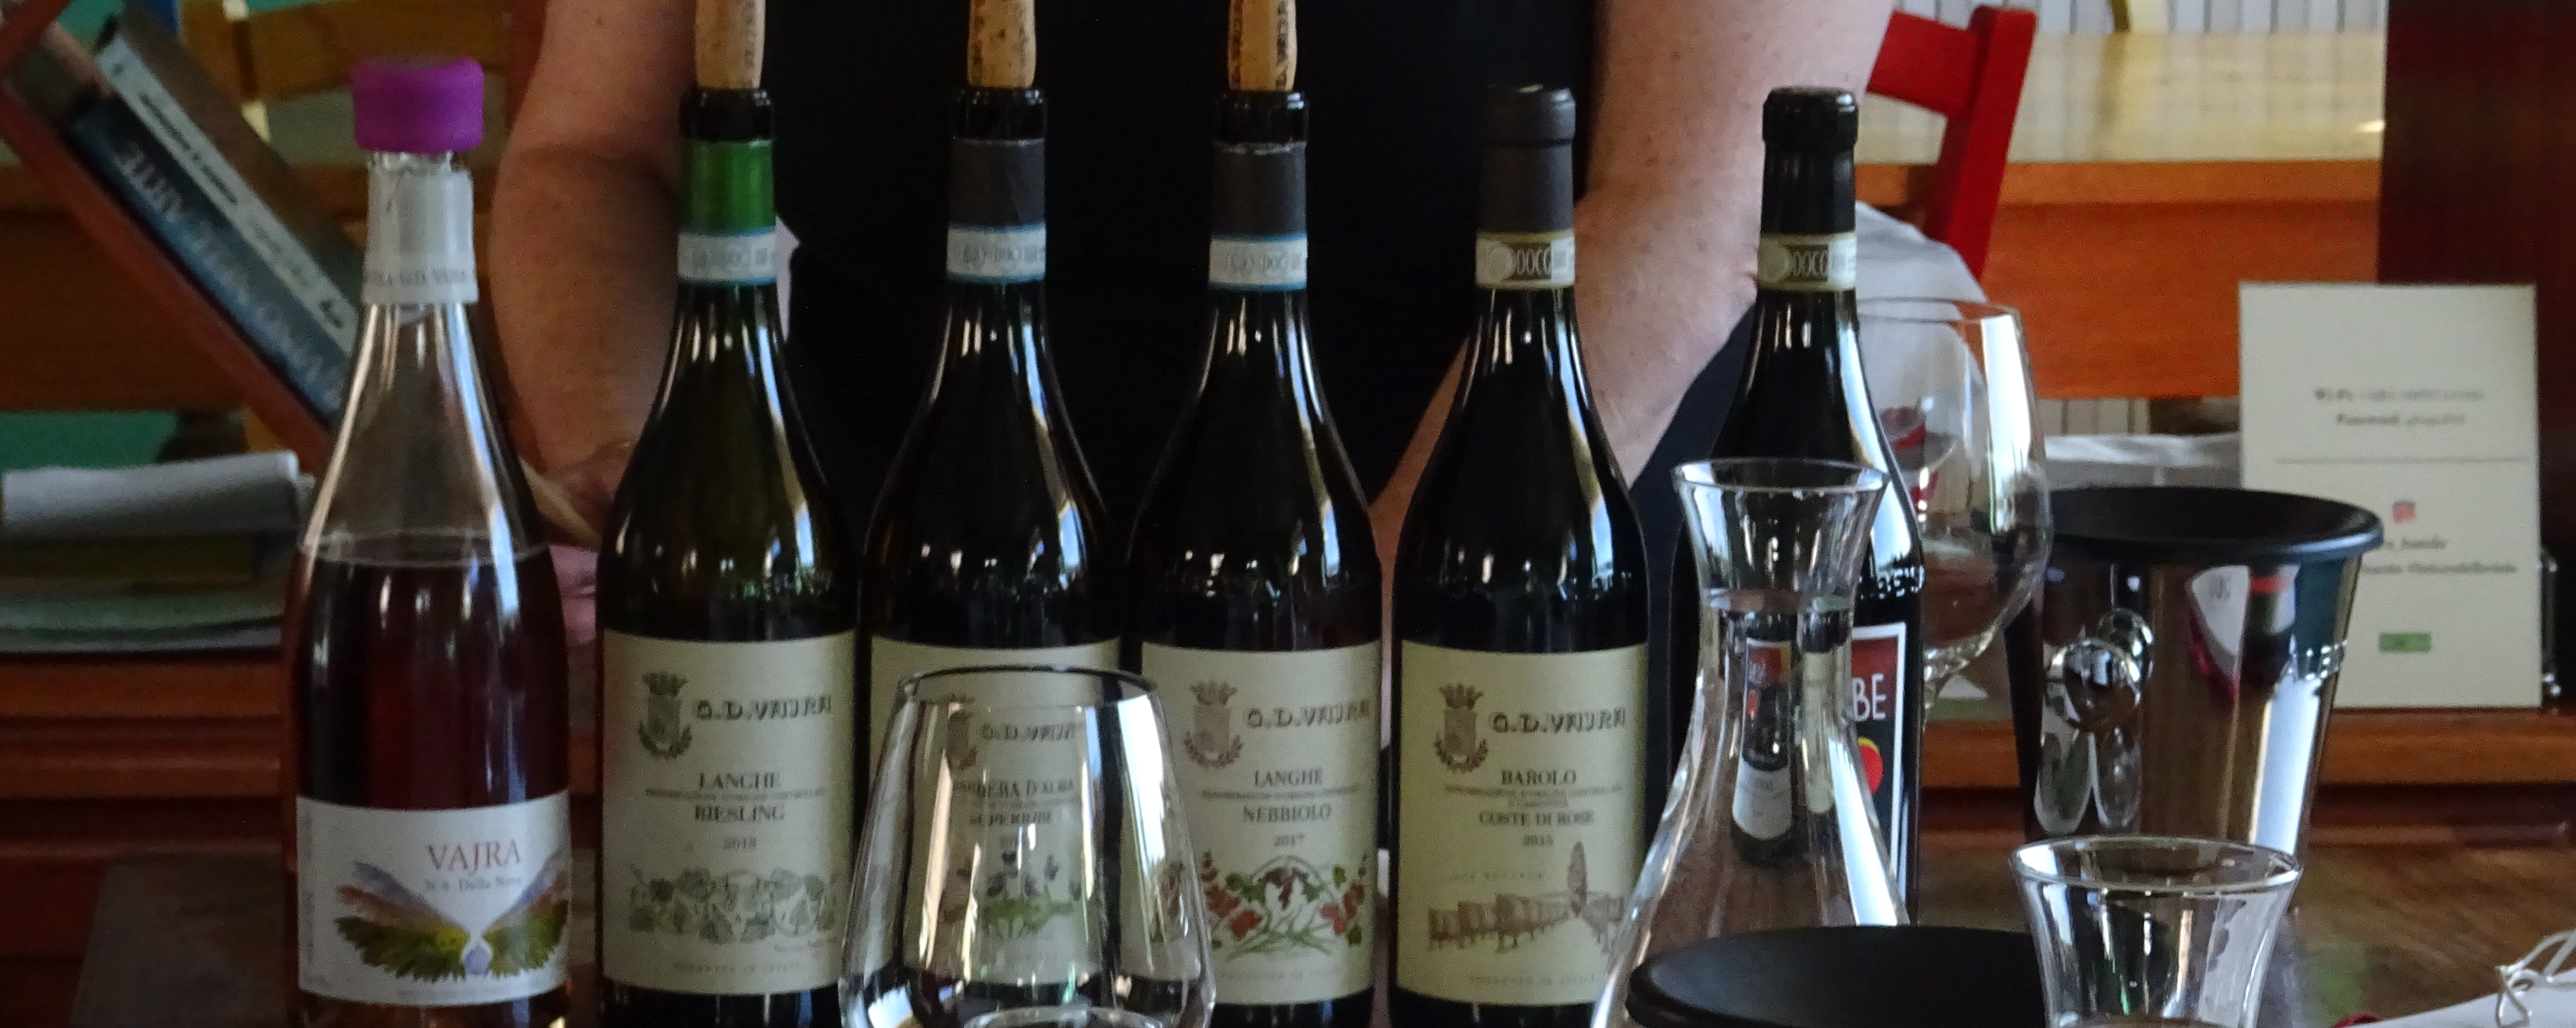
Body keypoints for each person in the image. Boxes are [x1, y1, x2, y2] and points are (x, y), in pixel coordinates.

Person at [491, 0, 1897, 576]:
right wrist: (653, 501)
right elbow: (594, 158)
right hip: (887, 694)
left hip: (1492, 699)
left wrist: (1333, 674)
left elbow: (1695, 208)